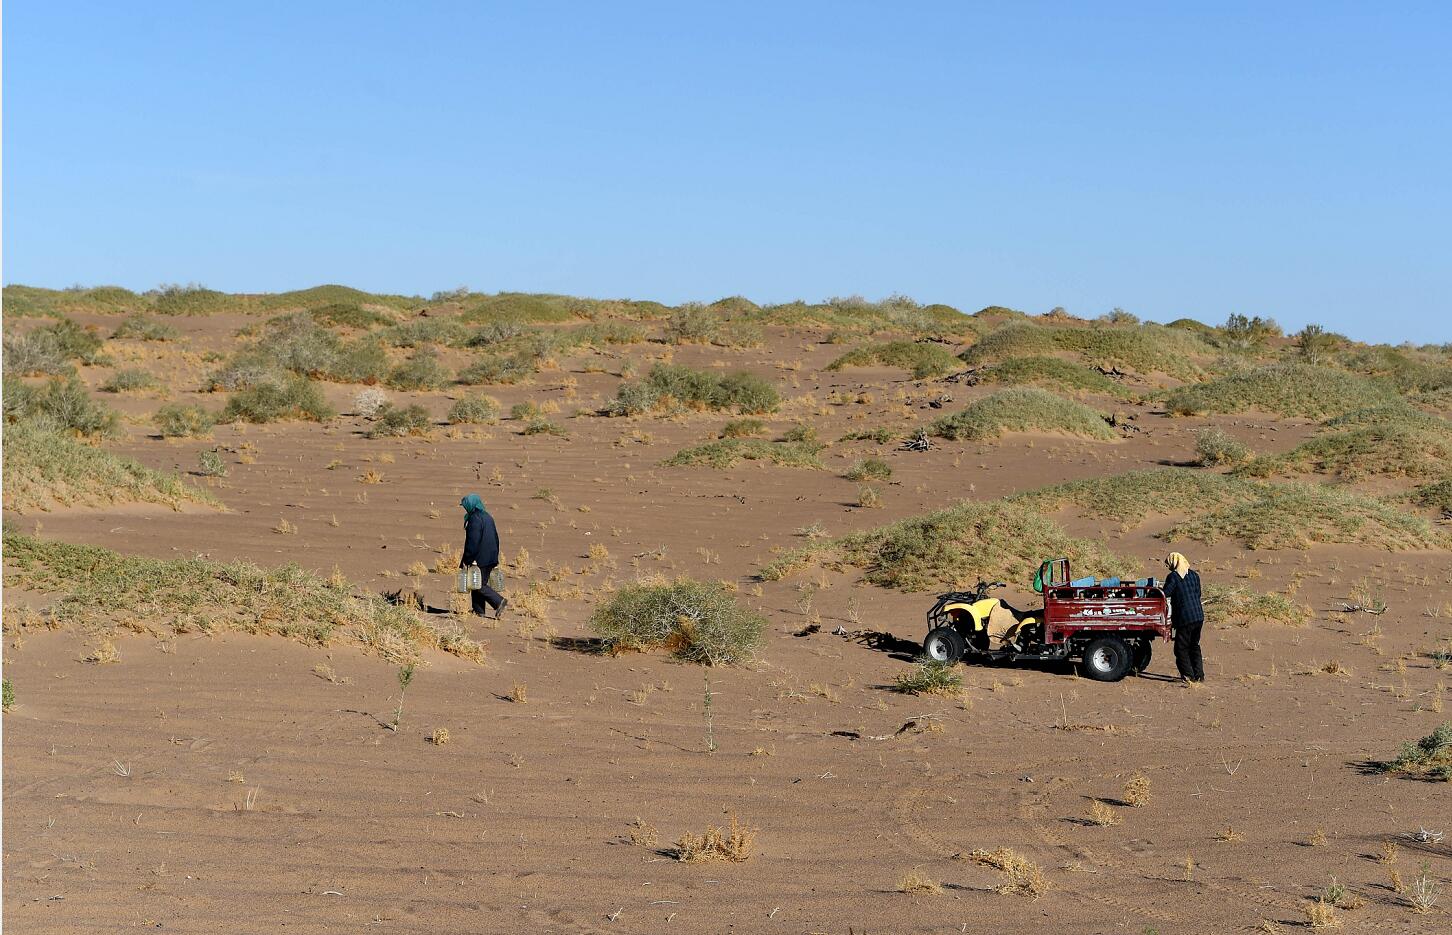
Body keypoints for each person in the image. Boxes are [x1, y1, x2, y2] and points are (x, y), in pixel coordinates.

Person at [460, 493, 507, 618]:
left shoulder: (474, 518)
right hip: (490, 556)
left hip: (480, 557)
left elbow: (473, 541)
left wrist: (468, 558)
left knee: (477, 584)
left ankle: (499, 602)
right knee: (478, 583)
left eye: (465, 506)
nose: (465, 508)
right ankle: (478, 611)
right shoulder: (487, 516)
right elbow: (496, 538)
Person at [1162, 551, 1204, 682]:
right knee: (1194, 645)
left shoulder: (1173, 577)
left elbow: (1165, 594)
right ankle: (1199, 675)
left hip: (1185, 618)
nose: (1169, 566)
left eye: (1169, 563)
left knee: (1181, 648)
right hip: (1198, 616)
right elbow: (1198, 593)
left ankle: (1188, 675)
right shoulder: (1194, 575)